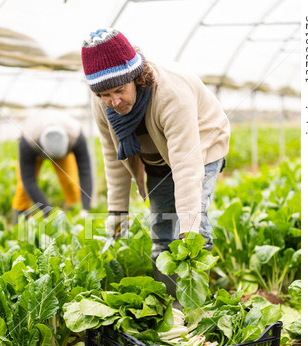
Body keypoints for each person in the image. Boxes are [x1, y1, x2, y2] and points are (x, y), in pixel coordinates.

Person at [81, 28, 229, 296]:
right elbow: (114, 157)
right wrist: (117, 213)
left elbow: (186, 166)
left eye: (119, 90)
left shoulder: (170, 93)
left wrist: (188, 232)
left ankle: (193, 306)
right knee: (161, 227)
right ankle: (166, 302)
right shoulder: (101, 103)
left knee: (195, 228)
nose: (113, 101)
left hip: (201, 146)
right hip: (157, 158)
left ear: (135, 78)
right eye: (105, 95)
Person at [12, 110, 93, 223]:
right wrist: (49, 212)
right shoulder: (28, 142)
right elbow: (28, 181)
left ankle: (77, 218)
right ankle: (18, 224)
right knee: (22, 189)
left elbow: (86, 172)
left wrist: (86, 207)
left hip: (63, 143)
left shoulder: (76, 136)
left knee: (70, 182)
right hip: (35, 144)